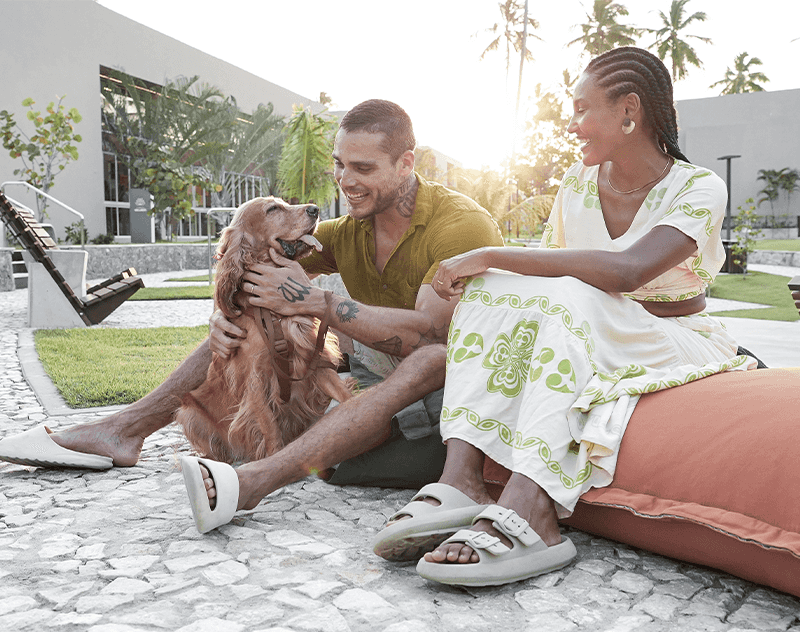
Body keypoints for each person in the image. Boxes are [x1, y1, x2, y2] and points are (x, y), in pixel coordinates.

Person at [0, 99, 504, 532]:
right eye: (339, 165)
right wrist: (224, 316)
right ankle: (126, 429)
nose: (345, 181)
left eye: (364, 169)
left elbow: (434, 341)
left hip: (451, 384)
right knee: (250, 326)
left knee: (338, 452)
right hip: (379, 371)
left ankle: (262, 475)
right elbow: (250, 261)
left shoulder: (457, 225)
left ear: (406, 164)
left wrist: (320, 303)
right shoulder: (351, 229)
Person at [373, 47, 757, 588]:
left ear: (629, 111)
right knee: (490, 291)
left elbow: (625, 272)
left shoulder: (698, 187)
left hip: (673, 335)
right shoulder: (579, 183)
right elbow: (551, 274)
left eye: (582, 111)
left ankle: (534, 509)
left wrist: (491, 253)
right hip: (597, 325)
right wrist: (491, 277)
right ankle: (462, 480)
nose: (572, 126)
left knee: (554, 293)